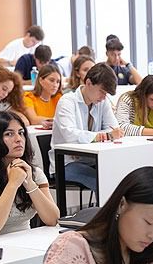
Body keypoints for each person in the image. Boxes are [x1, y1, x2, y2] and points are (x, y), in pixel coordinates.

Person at [0, 111, 59, 239]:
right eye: (9, 134)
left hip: (26, 244)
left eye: (21, 133)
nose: (18, 139)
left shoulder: (34, 172)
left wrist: (29, 184)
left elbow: (53, 219)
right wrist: (12, 184)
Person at [51, 63, 123, 191]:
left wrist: (98, 137)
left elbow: (114, 129)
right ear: (88, 83)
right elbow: (71, 135)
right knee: (101, 181)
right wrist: (105, 136)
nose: (104, 97)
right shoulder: (67, 101)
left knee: (120, 175)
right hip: (67, 164)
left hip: (93, 160)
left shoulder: (103, 101)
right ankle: (104, 211)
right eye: (102, 91)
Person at [22, 63, 64, 127]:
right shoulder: (29, 98)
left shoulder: (59, 98)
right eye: (51, 80)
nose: (55, 85)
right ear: (41, 80)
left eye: (58, 82)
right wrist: (58, 121)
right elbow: (33, 120)